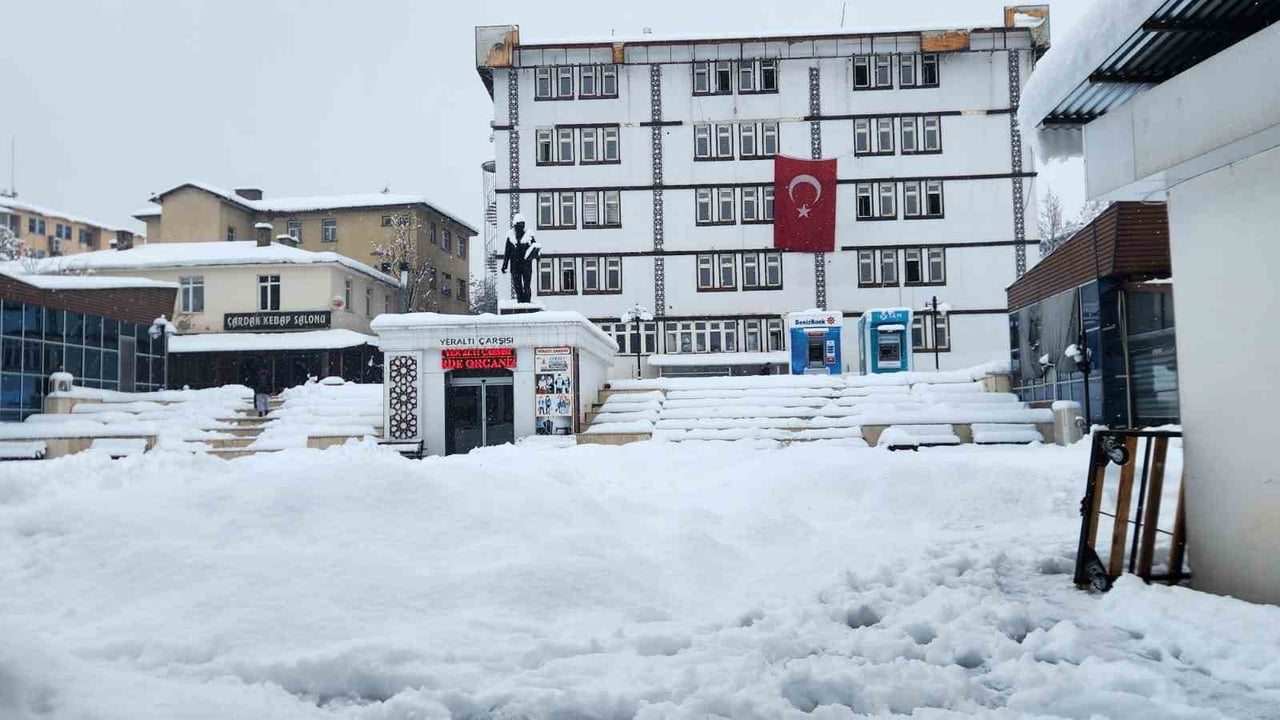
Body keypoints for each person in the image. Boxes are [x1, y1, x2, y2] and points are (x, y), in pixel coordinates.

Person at [501, 213, 539, 304]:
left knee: (527, 286)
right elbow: (507, 252)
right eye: (519, 224)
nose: (520, 226)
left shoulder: (529, 235)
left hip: (526, 265)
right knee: (518, 287)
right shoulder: (510, 236)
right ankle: (520, 303)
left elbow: (535, 248)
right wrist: (504, 265)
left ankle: (527, 303)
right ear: (515, 225)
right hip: (515, 266)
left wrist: (537, 256)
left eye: (522, 224)